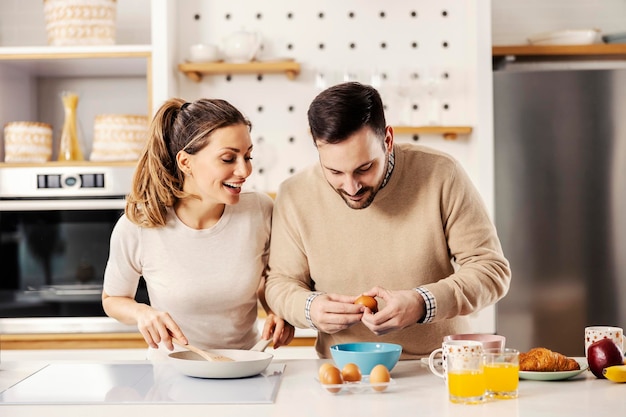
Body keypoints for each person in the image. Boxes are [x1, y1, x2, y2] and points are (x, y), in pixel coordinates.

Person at [264, 82, 511, 359]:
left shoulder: (441, 174)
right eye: (334, 171)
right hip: (343, 372)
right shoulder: (295, 194)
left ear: (388, 140)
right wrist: (309, 309)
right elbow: (280, 283)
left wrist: (423, 303)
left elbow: (491, 270)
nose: (351, 186)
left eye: (365, 168)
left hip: (437, 367)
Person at [102, 98, 294, 359]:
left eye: (247, 156)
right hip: (172, 371)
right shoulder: (140, 224)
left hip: (243, 365)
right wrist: (142, 312)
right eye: (228, 158)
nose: (244, 170)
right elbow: (113, 299)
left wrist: (277, 310)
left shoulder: (259, 211)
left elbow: (264, 281)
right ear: (185, 162)